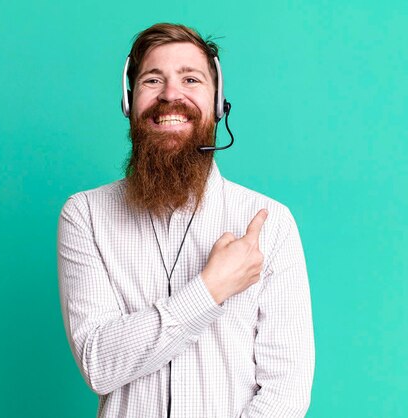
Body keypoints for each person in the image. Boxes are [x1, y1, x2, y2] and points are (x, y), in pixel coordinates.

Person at [58, 23, 315, 418]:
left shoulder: (271, 223)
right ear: (129, 102)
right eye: (152, 79)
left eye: (190, 79)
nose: (170, 95)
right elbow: (99, 363)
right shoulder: (85, 215)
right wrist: (211, 289)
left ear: (218, 103)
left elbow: (286, 390)